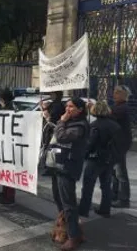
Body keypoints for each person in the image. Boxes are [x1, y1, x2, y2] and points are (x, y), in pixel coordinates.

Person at [51, 98, 89, 251]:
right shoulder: (71, 121)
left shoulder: (79, 125)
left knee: (68, 205)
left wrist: (61, 121)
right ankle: (73, 232)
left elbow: (62, 137)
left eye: (71, 106)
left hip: (68, 168)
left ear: (80, 109)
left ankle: (73, 238)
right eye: (66, 106)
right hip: (59, 165)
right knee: (59, 200)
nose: (67, 109)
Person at [78, 101, 121, 219]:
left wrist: (84, 155)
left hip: (95, 159)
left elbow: (90, 143)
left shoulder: (94, 125)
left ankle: (83, 209)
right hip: (109, 159)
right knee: (106, 185)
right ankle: (105, 210)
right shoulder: (115, 125)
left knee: (88, 185)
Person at [0, 88, 17, 205]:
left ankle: (9, 197)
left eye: (0, 97)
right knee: (4, 170)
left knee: (9, 171)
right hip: (4, 143)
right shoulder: (6, 105)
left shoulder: (11, 108)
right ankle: (4, 192)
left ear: (4, 98)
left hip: (10, 145)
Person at [110, 85, 132, 208]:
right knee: (114, 171)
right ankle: (115, 195)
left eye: (118, 92)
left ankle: (124, 200)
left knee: (120, 172)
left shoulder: (122, 108)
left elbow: (109, 115)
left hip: (120, 144)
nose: (115, 94)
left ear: (124, 95)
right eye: (114, 92)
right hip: (116, 144)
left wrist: (94, 108)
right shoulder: (117, 106)